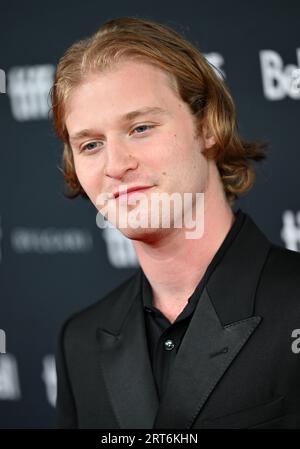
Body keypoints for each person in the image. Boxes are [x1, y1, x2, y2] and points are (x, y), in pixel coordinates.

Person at [50, 17, 300, 429]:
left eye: (141, 128)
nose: (115, 165)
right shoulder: (79, 340)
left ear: (206, 126)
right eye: (91, 144)